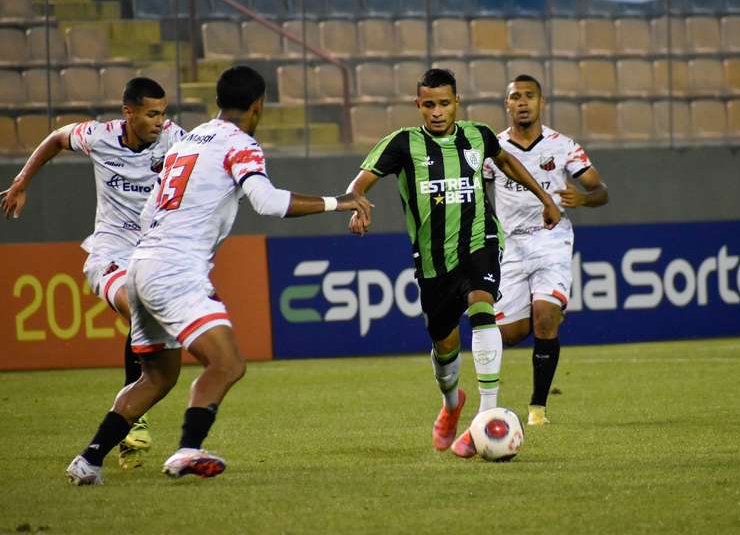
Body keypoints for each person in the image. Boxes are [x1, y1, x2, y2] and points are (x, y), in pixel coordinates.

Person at [64, 65, 371, 485]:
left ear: (218, 102)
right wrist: (340, 202)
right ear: (259, 105)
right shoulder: (239, 144)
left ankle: (89, 460)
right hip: (175, 270)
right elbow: (267, 202)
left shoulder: (188, 140)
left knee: (157, 376)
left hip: (140, 264)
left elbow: (153, 205)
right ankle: (188, 449)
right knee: (227, 363)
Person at [345, 68, 560, 458]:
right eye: (429, 105)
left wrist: (544, 199)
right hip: (433, 263)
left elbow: (507, 163)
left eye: (445, 103)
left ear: (456, 102)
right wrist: (357, 203)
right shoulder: (402, 144)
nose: (438, 112)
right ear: (419, 106)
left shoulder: (478, 136)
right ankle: (451, 404)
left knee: (482, 306)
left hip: (480, 242)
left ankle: (486, 414)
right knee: (445, 345)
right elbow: (359, 183)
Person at [1, 77, 185, 469]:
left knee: (149, 319)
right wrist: (21, 181)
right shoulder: (98, 137)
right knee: (140, 309)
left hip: (152, 255)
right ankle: (137, 413)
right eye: (152, 113)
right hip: (110, 255)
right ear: (128, 113)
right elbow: (55, 138)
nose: (159, 121)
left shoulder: (175, 139)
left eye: (163, 113)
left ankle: (130, 412)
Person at [483, 75, 608, 427]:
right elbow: (478, 192)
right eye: (515, 97)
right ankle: (544, 317)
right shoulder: (492, 149)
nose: (522, 102)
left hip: (551, 239)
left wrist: (583, 198)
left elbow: (601, 191)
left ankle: (538, 409)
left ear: (541, 102)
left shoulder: (562, 145)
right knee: (511, 333)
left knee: (544, 317)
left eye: (529, 96)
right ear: (506, 105)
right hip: (511, 246)